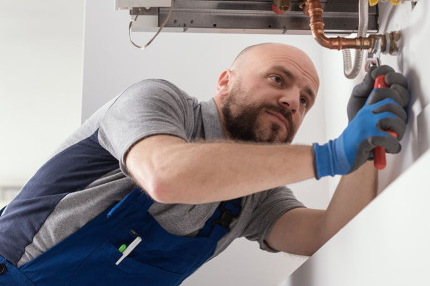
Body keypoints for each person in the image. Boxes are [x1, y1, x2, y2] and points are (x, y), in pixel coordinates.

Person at [0, 43, 408, 285]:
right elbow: (165, 175)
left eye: (305, 100)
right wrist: (331, 155)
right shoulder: (159, 102)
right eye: (278, 79)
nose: (292, 102)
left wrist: (362, 150)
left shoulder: (253, 196)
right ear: (225, 81)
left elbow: (324, 234)